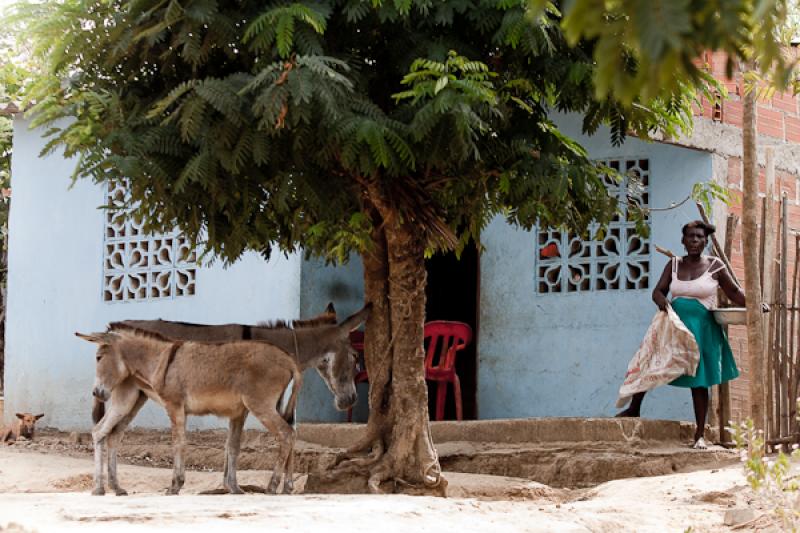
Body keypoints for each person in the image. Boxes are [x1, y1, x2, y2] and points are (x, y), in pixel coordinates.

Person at [616, 220, 762, 449]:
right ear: (683, 241)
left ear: (705, 241)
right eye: (690, 236)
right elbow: (658, 291)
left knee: (698, 380)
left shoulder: (715, 266)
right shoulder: (674, 265)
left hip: (701, 330)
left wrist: (756, 303)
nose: (694, 240)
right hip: (673, 326)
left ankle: (700, 435)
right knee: (649, 362)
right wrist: (662, 301)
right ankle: (634, 409)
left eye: (699, 237)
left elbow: (734, 292)